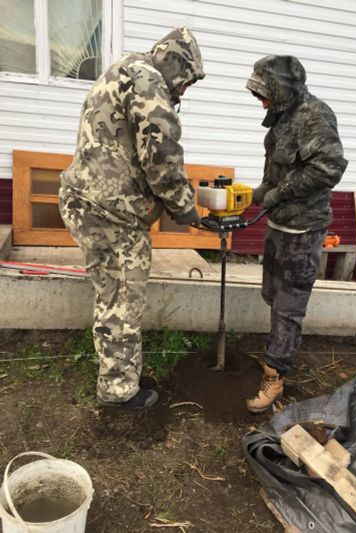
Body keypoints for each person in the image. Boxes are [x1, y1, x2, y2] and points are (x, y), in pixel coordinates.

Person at [59, 27, 205, 409]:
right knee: (122, 299)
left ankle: (118, 372)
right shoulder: (150, 82)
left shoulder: (125, 68)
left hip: (89, 201)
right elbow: (161, 154)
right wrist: (185, 206)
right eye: (186, 82)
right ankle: (119, 392)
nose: (184, 92)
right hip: (110, 213)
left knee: (112, 293)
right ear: (177, 65)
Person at [245, 55, 348, 413]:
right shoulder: (283, 116)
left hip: (303, 230)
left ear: (283, 89)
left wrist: (281, 192)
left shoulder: (314, 116)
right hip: (279, 223)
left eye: (265, 93)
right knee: (272, 296)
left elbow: (329, 168)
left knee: (289, 307)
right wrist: (258, 192)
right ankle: (278, 352)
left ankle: (275, 375)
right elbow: (278, 167)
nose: (262, 101)